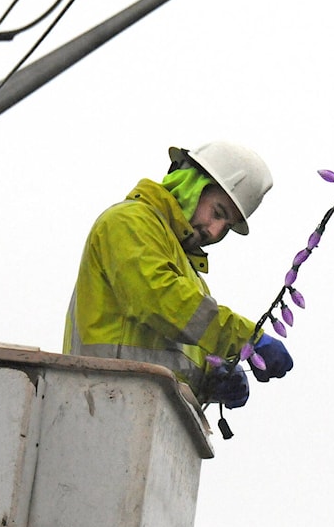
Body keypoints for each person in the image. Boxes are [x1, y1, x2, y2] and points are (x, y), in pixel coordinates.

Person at [63, 141, 293, 409]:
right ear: (191, 184)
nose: (215, 231)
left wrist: (209, 376)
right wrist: (244, 337)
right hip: (99, 403)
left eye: (227, 226)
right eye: (217, 213)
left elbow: (175, 343)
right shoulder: (129, 222)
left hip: (144, 416)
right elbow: (160, 300)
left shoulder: (190, 274)